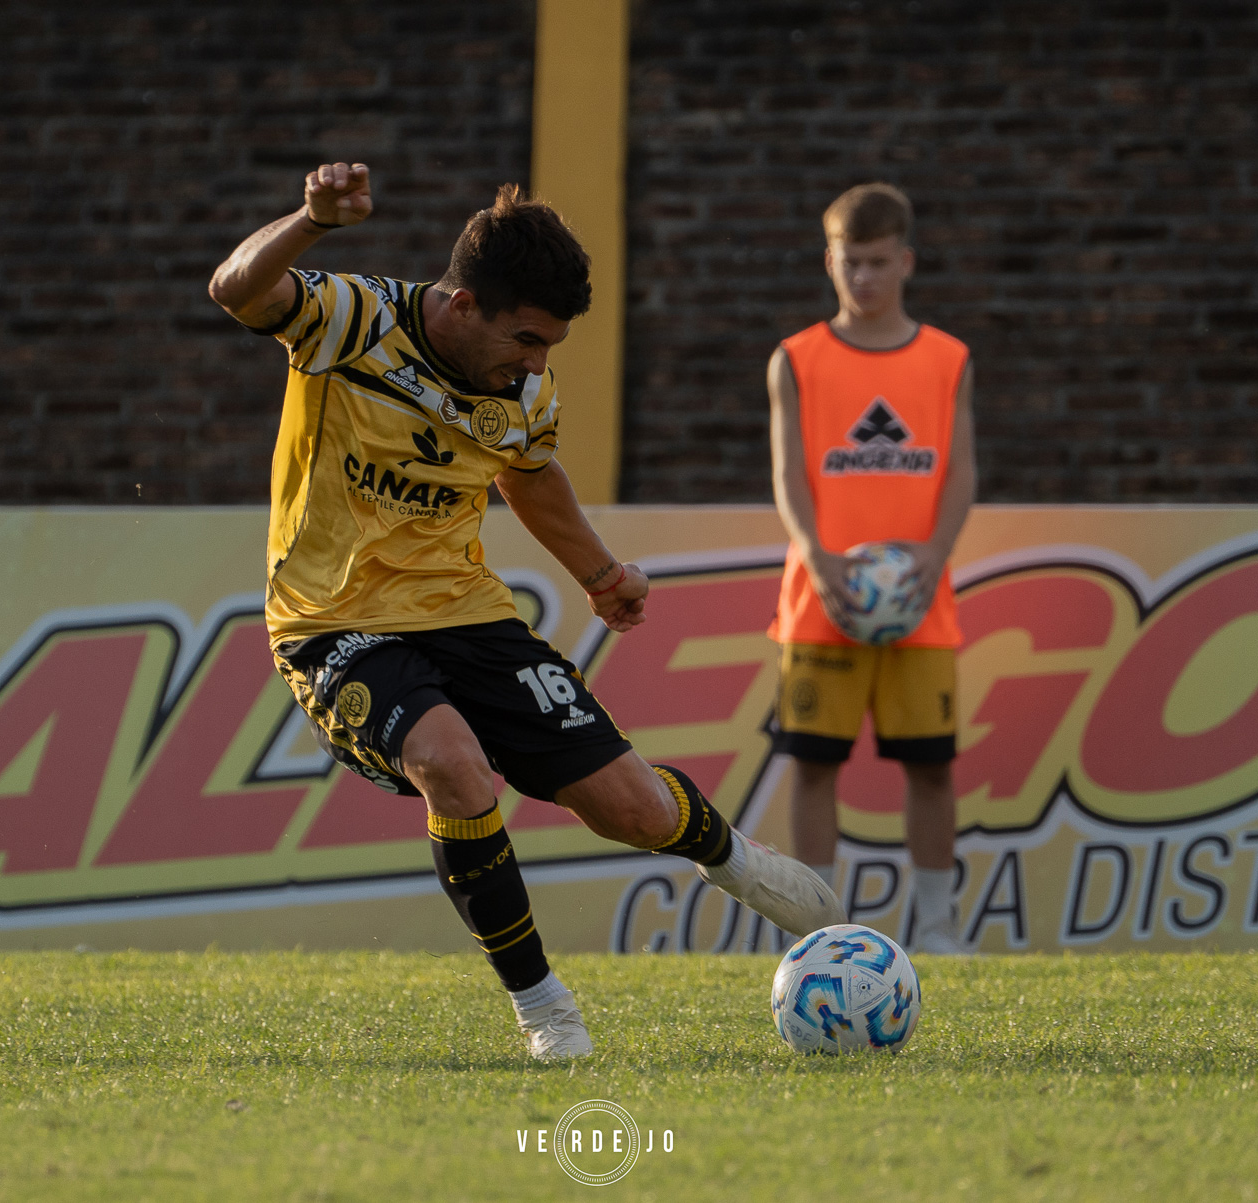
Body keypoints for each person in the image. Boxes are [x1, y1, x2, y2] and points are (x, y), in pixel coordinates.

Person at [208, 162, 844, 1060]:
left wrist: (600, 571)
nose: (538, 362)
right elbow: (236, 289)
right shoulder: (352, 320)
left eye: (549, 345)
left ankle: (732, 858)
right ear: (462, 304)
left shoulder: (524, 393)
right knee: (452, 763)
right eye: (527, 338)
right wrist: (310, 222)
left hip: (465, 614)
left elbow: (528, 471)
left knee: (629, 808)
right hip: (332, 622)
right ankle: (546, 1010)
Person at [766, 182, 977, 956]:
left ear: (906, 261)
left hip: (919, 598)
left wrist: (934, 551)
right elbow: (789, 474)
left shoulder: (947, 358)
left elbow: (960, 472)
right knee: (815, 766)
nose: (863, 278)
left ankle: (939, 928)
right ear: (830, 260)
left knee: (929, 769)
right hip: (822, 599)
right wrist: (817, 557)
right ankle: (815, 930)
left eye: (878, 262)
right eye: (849, 262)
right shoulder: (796, 358)